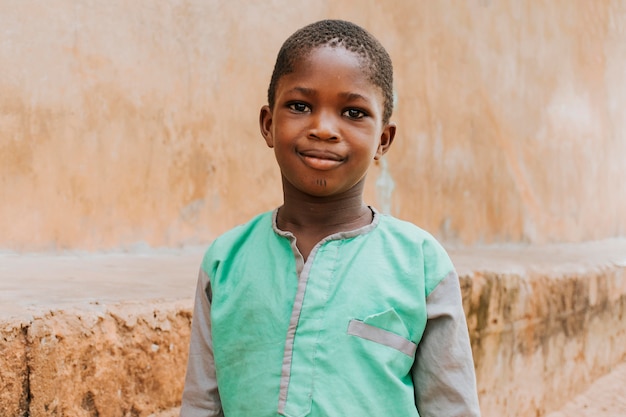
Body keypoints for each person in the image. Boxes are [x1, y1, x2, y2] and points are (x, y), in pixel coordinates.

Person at [180, 19, 481, 417]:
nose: (323, 129)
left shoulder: (420, 263)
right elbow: (202, 403)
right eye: (300, 106)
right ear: (269, 125)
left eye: (353, 112)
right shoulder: (226, 261)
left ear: (383, 140)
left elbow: (451, 406)